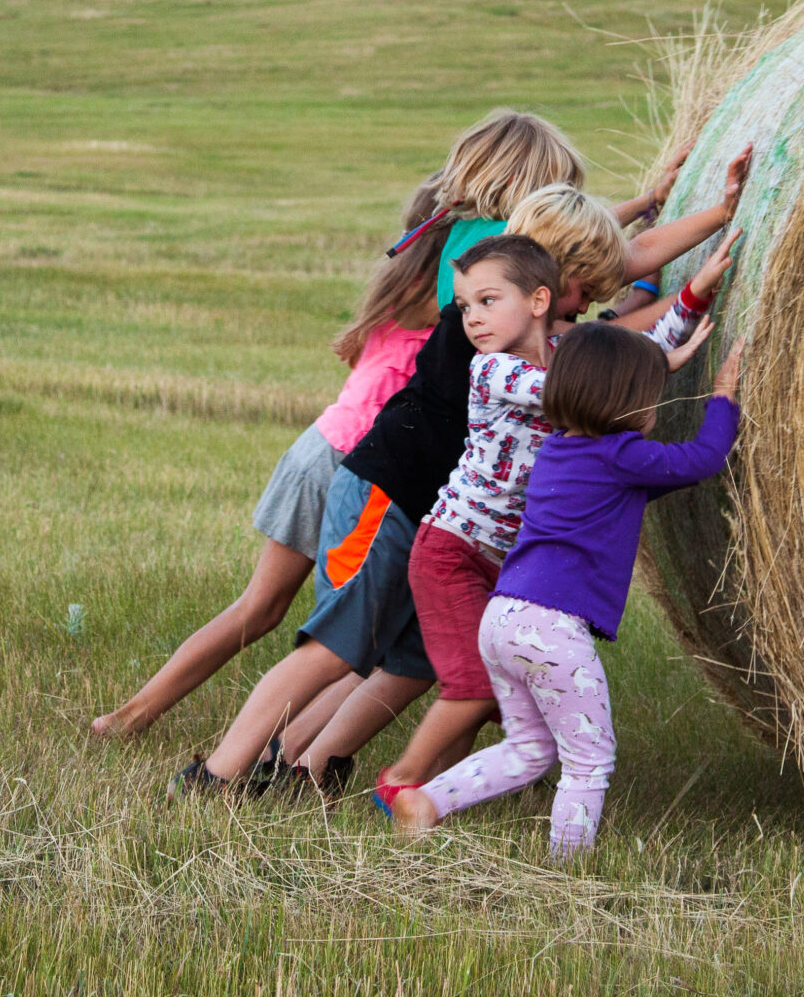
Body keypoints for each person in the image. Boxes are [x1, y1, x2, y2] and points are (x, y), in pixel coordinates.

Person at [171, 147, 750, 797]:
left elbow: (618, 337)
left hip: (452, 532)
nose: (587, 305)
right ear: (544, 286)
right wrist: (668, 344)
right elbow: (595, 378)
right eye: (581, 290)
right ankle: (217, 773)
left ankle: (308, 767)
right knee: (336, 646)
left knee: (419, 662)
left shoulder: (549, 336)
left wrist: (699, 282)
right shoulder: (484, 340)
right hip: (386, 496)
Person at [366, 217, 735, 802]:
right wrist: (660, 366)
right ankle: (401, 782)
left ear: (540, 301)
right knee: (472, 687)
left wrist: (695, 295)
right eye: (465, 307)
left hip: (511, 562)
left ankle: (449, 788)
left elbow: (625, 363)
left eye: (487, 301)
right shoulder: (490, 370)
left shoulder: (571, 354)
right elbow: (598, 385)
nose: (473, 319)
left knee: (497, 681)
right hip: (454, 549)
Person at [86, 173, 443, 741]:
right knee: (347, 641)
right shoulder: (441, 300)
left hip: (318, 449)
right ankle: (269, 753)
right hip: (356, 470)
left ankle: (132, 718)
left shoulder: (398, 287)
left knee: (260, 607)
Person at [392, 325, 745, 856]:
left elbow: (650, 483)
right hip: (550, 628)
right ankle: (567, 864)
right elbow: (702, 459)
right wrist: (722, 399)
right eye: (650, 397)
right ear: (625, 405)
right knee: (589, 759)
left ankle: (428, 802)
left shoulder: (559, 449)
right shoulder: (622, 455)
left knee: (529, 749)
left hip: (503, 618)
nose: (655, 409)